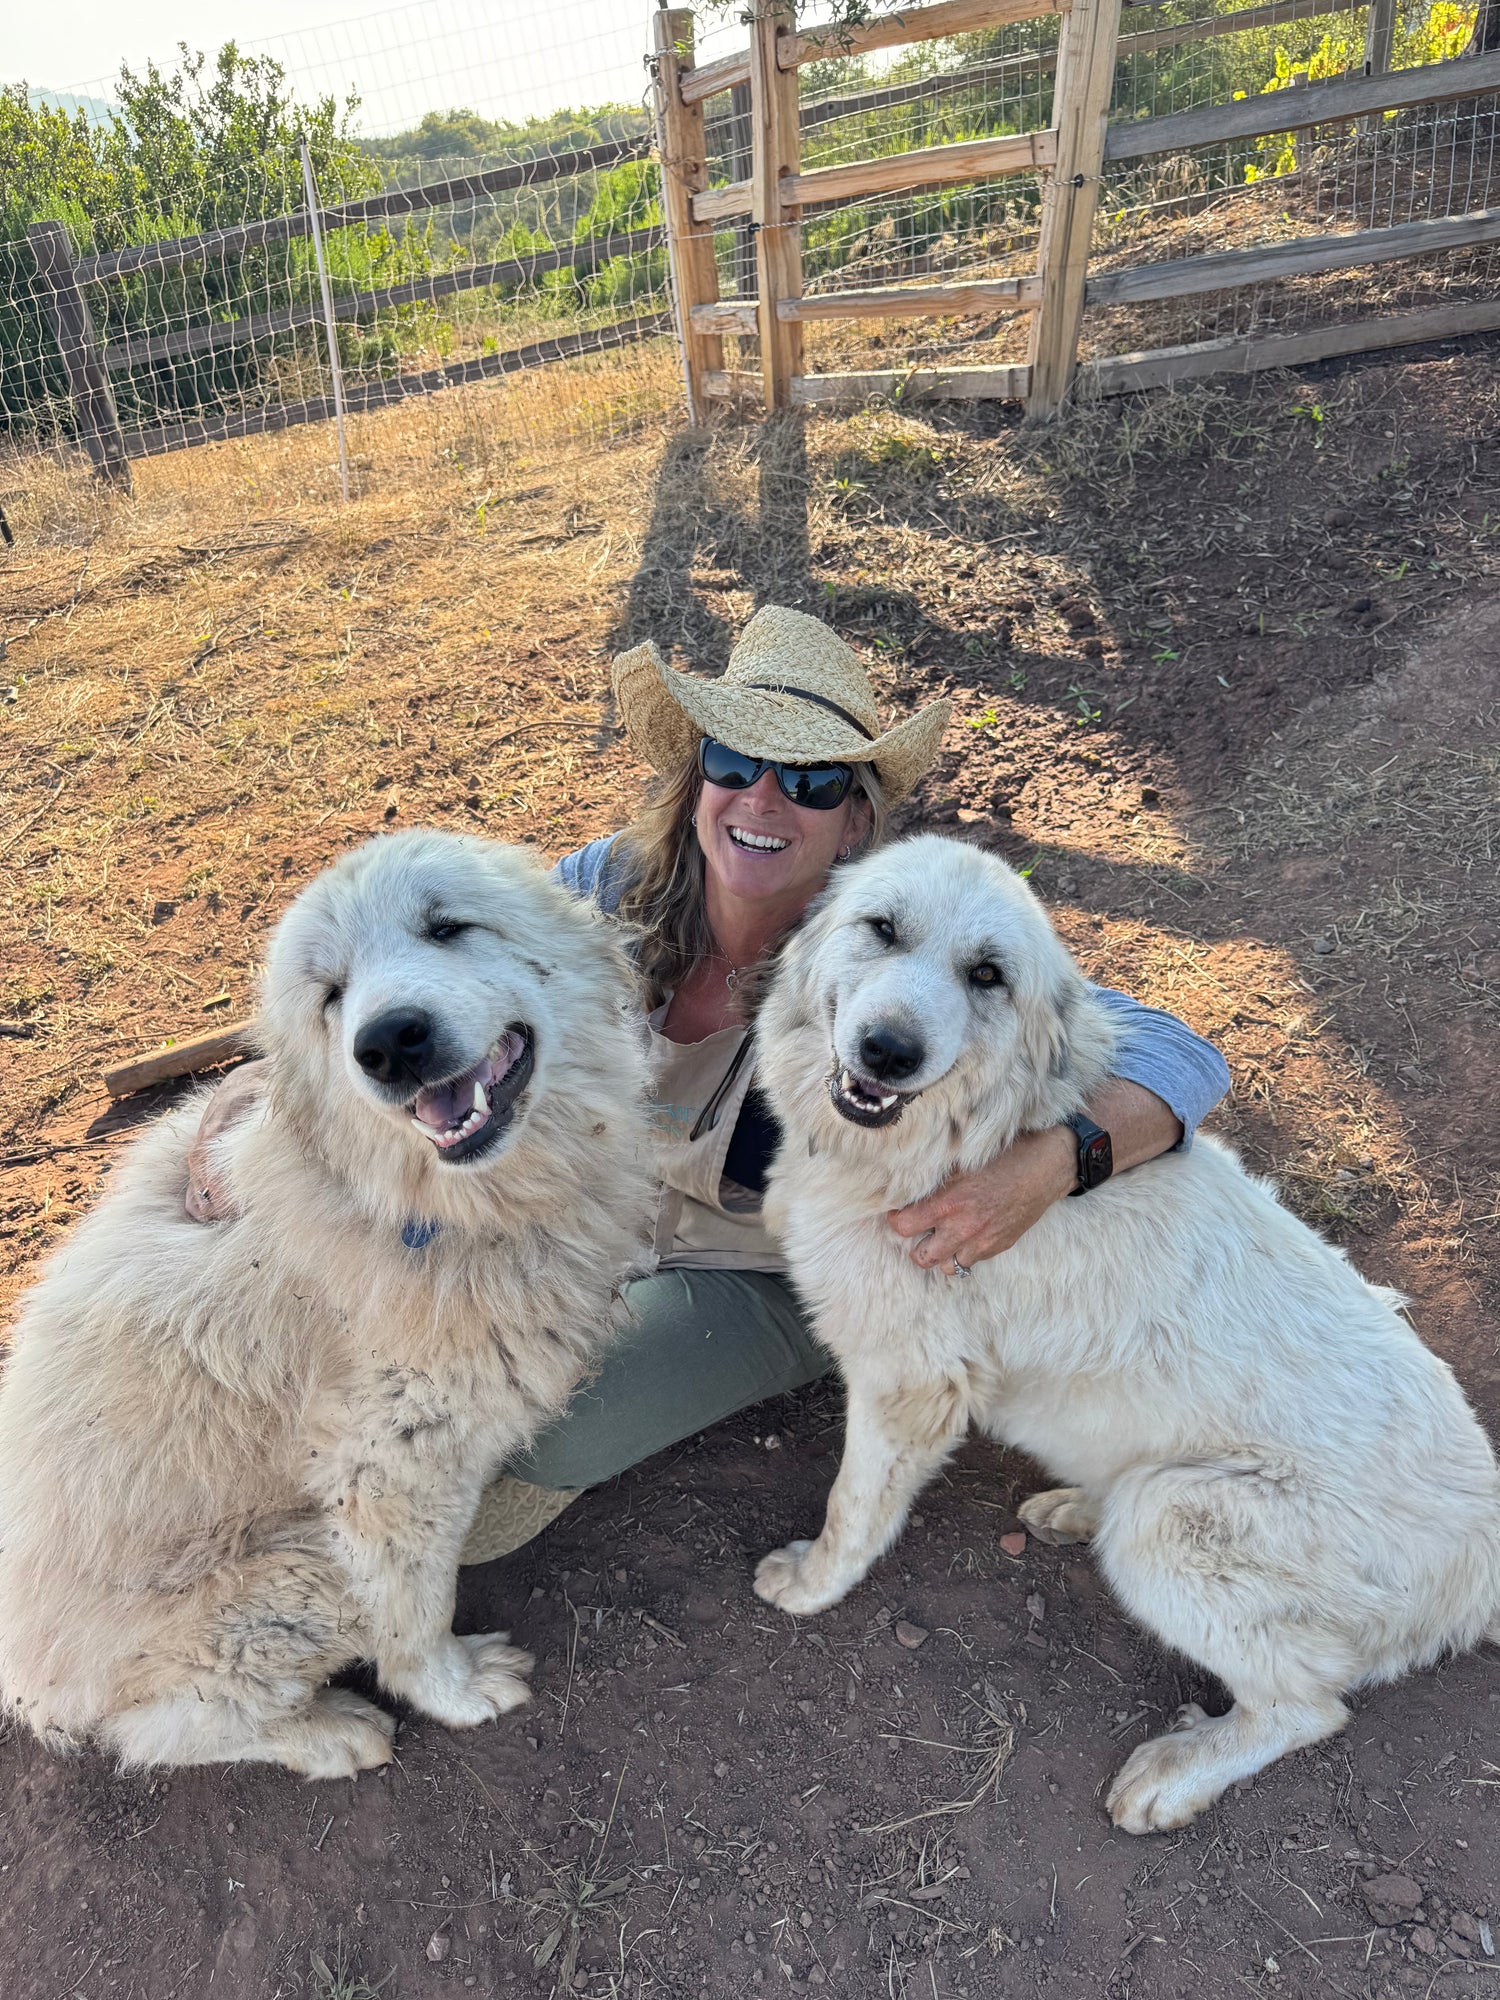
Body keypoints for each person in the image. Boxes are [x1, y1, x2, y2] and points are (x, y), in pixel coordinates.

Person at [186, 606, 1230, 1561]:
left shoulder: (897, 952)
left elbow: (1181, 1053)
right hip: (601, 1218)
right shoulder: (607, 890)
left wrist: (1052, 1164)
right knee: (321, 1314)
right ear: (698, 781)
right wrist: (260, 1094)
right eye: (737, 759)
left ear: (856, 824)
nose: (767, 798)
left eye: (814, 779)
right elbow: (438, 977)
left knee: (523, 1436)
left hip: (764, 1272)